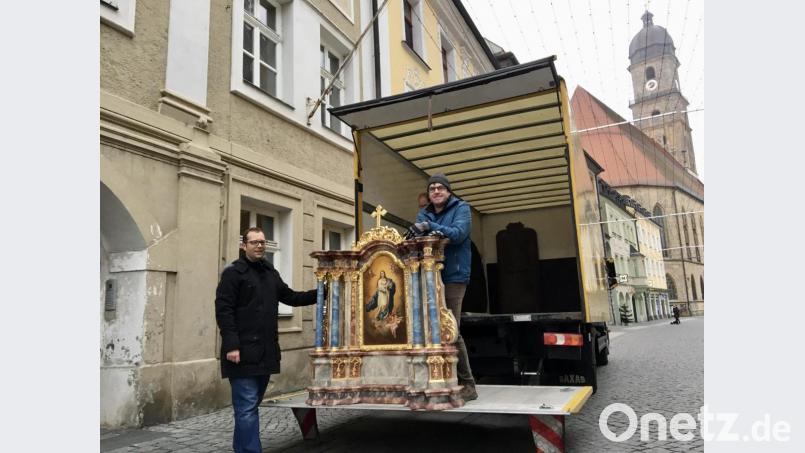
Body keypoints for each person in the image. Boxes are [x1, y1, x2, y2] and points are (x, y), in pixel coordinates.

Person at [215, 227, 317, 453]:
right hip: (241, 352)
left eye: (262, 242)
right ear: (244, 246)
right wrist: (231, 345)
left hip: (266, 352)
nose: (260, 246)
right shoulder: (233, 273)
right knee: (247, 407)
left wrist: (322, 293)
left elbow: (290, 297)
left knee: (249, 407)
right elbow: (224, 310)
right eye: (254, 242)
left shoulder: (270, 273)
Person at [409, 173, 477, 401]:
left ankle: (468, 384)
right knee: (428, 328)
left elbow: (458, 235)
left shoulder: (462, 208)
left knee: (450, 328)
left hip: (454, 276)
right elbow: (421, 238)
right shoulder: (423, 212)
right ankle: (438, 379)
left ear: (448, 192)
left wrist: (430, 227)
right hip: (427, 275)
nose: (436, 191)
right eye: (432, 188)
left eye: (440, 188)